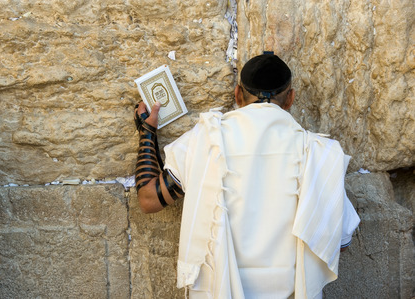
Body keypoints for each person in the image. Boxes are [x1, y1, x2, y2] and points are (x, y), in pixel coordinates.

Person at [134, 53, 360, 299]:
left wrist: (147, 131)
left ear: (238, 95)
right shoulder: (317, 154)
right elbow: (339, 243)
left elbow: (149, 199)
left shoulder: (206, 141)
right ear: (290, 99)